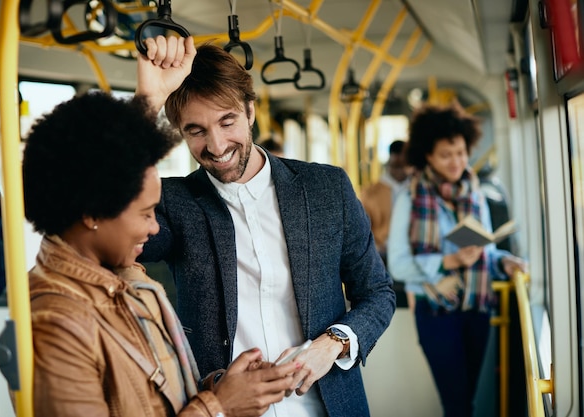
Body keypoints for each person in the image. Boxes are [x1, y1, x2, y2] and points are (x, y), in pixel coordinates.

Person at [135, 36, 396, 417]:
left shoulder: (326, 188)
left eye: (228, 121)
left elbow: (377, 291)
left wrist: (335, 342)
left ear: (251, 111)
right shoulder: (174, 203)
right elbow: (100, 217)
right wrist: (147, 102)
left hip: (329, 406)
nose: (217, 145)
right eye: (196, 131)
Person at [22, 91, 300, 417]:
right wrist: (220, 407)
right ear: (92, 213)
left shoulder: (130, 280)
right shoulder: (55, 323)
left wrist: (220, 389)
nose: (155, 228)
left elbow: (159, 399)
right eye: (145, 214)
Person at [387, 102, 527, 417]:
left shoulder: (474, 194)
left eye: (461, 153)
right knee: (457, 403)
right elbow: (397, 264)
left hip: (476, 306)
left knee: (471, 402)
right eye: (446, 155)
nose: (456, 162)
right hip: (436, 311)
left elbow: (484, 250)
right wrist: (447, 262)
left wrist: (503, 260)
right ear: (428, 156)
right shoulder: (410, 198)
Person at [360, 139, 410, 262]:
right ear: (389, 163)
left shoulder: (416, 188)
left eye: (403, 166)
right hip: (381, 254)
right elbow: (363, 227)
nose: (400, 170)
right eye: (396, 166)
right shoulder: (370, 193)